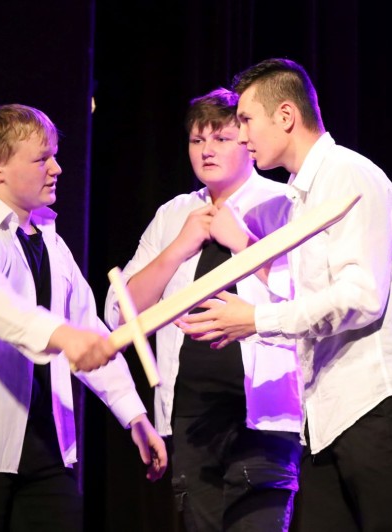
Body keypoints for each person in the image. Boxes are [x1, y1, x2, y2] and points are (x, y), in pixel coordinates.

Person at [176, 59, 392, 531]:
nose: (241, 135)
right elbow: (307, 297)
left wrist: (256, 319)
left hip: (376, 399)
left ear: (286, 115)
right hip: (328, 414)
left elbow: (361, 295)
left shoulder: (347, 175)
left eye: (246, 119)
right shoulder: (299, 197)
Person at [0, 103, 167, 532]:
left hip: (45, 452)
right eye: (41, 158)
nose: (57, 168)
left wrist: (134, 416)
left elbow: (88, 327)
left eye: (54, 155)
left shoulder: (51, 242)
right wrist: (64, 336)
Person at [104, 88, 303, 531]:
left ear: (247, 142)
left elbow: (308, 300)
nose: (207, 150)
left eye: (221, 138)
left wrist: (243, 243)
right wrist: (178, 247)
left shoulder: (282, 204)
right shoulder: (173, 214)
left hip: (265, 413)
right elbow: (121, 315)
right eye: (197, 140)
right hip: (192, 417)